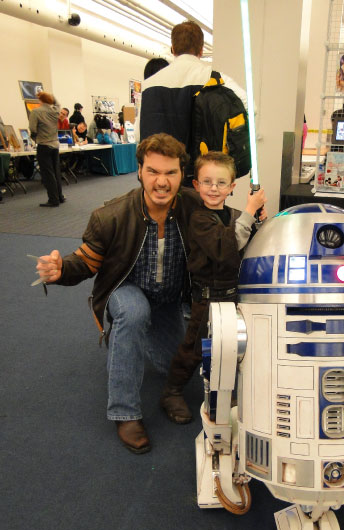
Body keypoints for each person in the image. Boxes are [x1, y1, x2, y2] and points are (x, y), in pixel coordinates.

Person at [34, 133, 202, 453]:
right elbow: (86, 261)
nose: (162, 182)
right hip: (126, 290)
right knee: (134, 313)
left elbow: (226, 234)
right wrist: (61, 270)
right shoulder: (110, 215)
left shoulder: (195, 208)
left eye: (170, 173)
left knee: (178, 367)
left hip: (170, 298)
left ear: (183, 174)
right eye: (153, 171)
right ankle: (124, 412)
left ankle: (136, 345)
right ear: (139, 171)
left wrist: (253, 219)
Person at [160, 152, 267, 423]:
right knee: (194, 347)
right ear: (196, 185)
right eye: (207, 182)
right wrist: (250, 212)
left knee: (232, 346)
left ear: (232, 187)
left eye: (221, 183)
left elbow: (251, 243)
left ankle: (226, 393)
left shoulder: (235, 215)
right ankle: (172, 391)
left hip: (234, 296)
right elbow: (224, 248)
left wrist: (259, 221)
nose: (214, 188)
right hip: (207, 299)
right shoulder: (199, 219)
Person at [137, 20, 246, 182]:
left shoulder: (148, 85)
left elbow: (139, 132)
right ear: (201, 49)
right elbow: (251, 108)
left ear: (172, 48)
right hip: (201, 177)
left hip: (160, 176)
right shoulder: (216, 79)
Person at [28, 91, 66, 208]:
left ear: (40, 100)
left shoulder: (35, 112)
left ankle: (53, 199)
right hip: (55, 145)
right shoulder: (55, 111)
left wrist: (35, 138)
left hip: (44, 145)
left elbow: (33, 129)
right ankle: (60, 196)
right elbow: (58, 103)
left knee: (48, 174)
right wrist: (49, 95)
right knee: (56, 171)